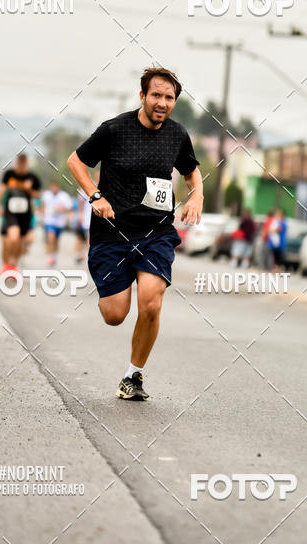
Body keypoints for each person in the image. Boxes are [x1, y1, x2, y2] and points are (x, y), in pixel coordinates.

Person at [67, 67, 203, 401]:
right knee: (114, 315)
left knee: (152, 303)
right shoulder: (114, 130)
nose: (162, 103)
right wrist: (95, 197)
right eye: (156, 95)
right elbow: (75, 162)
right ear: (142, 96)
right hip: (112, 232)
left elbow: (191, 171)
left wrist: (196, 196)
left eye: (169, 97)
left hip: (156, 233)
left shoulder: (177, 134)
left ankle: (132, 376)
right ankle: (117, 284)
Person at [0, 153, 41, 275]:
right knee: (12, 238)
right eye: (19, 163)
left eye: (23, 163)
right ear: (16, 163)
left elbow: (38, 195)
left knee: (20, 241)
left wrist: (28, 189)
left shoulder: (32, 178)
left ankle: (13, 266)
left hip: (25, 214)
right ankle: (7, 265)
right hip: (10, 212)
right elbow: (2, 190)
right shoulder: (9, 175)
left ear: (26, 164)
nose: (21, 165)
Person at [41, 181, 73, 266]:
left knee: (56, 240)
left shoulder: (64, 196)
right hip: (49, 221)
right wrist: (42, 213)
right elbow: (43, 205)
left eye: (56, 187)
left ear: (58, 188)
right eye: (53, 187)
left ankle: (54, 255)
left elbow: (70, 208)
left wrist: (62, 209)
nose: (54, 189)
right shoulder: (46, 195)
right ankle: (50, 256)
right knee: (51, 236)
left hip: (60, 223)